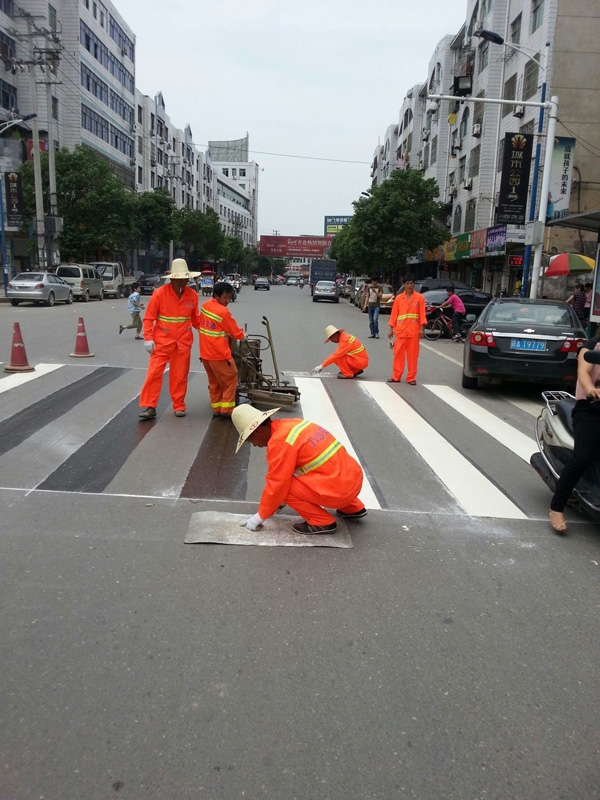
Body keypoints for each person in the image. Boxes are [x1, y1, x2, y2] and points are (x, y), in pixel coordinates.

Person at [232, 404, 367, 534]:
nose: (254, 445)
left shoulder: (279, 441)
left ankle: (321, 521)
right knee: (314, 470)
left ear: (257, 431)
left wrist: (260, 516)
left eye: (250, 440)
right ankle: (353, 507)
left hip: (339, 491)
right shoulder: (293, 424)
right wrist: (276, 503)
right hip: (353, 481)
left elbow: (277, 484)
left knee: (285, 489)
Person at [139, 258, 201, 419]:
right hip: (161, 341)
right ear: (173, 279)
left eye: (186, 279)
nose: (184, 282)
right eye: (180, 279)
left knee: (180, 375)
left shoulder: (192, 295)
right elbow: (148, 318)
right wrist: (148, 338)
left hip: (183, 342)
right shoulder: (159, 294)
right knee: (154, 374)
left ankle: (179, 406)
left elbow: (196, 320)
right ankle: (150, 406)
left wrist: (208, 332)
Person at [549, 336, 600, 533]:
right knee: (582, 456)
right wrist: (591, 390)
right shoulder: (592, 346)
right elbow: (583, 372)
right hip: (590, 408)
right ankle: (556, 507)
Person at [199, 281, 245, 418]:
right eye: (225, 297)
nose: (227, 301)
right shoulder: (223, 312)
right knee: (231, 378)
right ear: (216, 296)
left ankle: (217, 408)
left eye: (229, 298)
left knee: (214, 382)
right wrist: (242, 335)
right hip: (219, 354)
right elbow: (236, 332)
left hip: (206, 354)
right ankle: (227, 410)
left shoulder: (205, 306)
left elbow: (215, 327)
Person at [387, 274, 427, 385]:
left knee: (412, 356)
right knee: (398, 355)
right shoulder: (399, 298)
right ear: (404, 285)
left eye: (411, 283)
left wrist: (422, 328)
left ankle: (411, 377)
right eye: (407, 283)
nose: (409, 285)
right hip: (400, 332)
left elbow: (422, 314)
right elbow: (394, 314)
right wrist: (391, 329)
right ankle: (396, 376)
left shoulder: (419, 298)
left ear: (414, 284)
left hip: (413, 332)